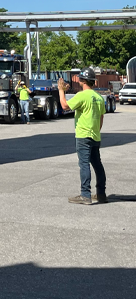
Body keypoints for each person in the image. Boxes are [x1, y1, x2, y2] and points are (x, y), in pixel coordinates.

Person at [58, 68, 107, 205]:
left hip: (83, 135)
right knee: (97, 165)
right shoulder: (98, 97)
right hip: (95, 135)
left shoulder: (82, 95)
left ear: (83, 80)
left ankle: (85, 194)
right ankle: (101, 193)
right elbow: (101, 118)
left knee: (84, 164)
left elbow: (65, 106)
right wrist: (96, 130)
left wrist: (61, 90)